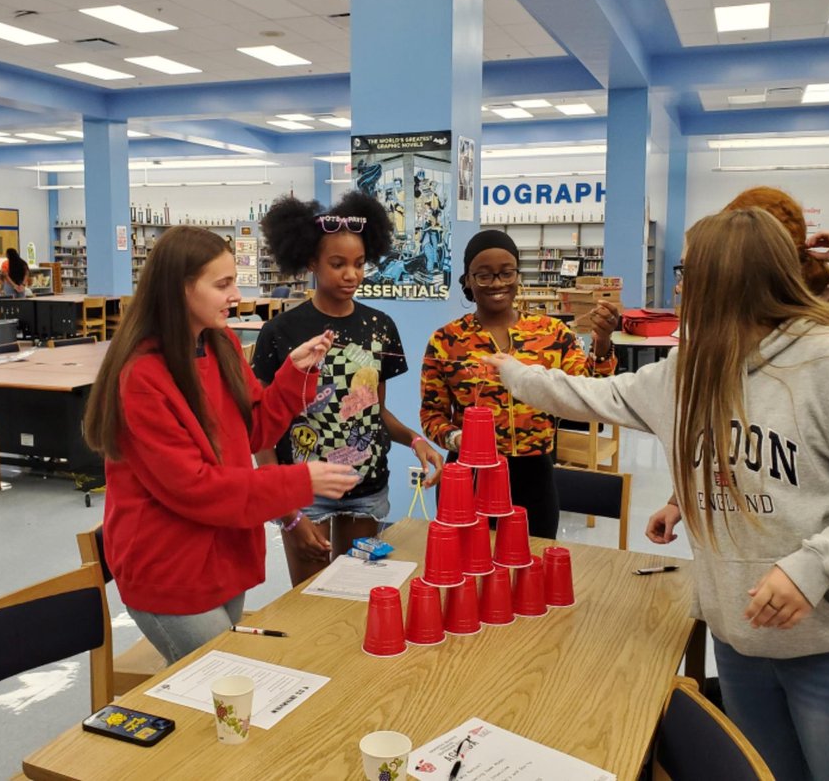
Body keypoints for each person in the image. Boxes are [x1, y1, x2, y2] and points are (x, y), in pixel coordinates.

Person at [483, 208, 829, 781]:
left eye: (688, 271)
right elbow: (595, 397)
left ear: (728, 278)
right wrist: (512, 371)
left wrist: (816, 566)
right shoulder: (688, 369)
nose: (678, 285)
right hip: (742, 640)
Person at [81, 225, 359, 663]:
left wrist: (293, 375)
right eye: (222, 284)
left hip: (223, 555)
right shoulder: (141, 379)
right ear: (179, 289)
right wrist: (299, 482)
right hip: (171, 571)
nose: (236, 295)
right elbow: (198, 489)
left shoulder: (221, 343)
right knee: (225, 681)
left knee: (221, 690)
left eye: (235, 281)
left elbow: (255, 432)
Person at [647, 185, 829, 545]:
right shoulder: (743, 311)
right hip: (753, 499)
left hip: (820, 502)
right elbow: (725, 422)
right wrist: (681, 498)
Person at [252, 191, 443, 586]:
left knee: (355, 596)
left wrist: (415, 440)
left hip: (366, 487)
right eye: (337, 264)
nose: (351, 275)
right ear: (311, 263)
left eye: (358, 264)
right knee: (308, 600)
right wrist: (286, 508)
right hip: (303, 489)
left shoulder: (380, 326)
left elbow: (375, 412)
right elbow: (261, 431)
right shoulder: (280, 333)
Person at [420, 229, 620, 540]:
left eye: (506, 273)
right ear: (468, 281)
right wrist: (457, 439)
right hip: (468, 475)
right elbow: (431, 414)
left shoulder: (552, 333)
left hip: (534, 474)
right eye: (484, 275)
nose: (497, 283)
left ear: (518, 275)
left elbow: (592, 394)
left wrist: (603, 343)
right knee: (466, 570)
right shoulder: (446, 340)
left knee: (532, 565)